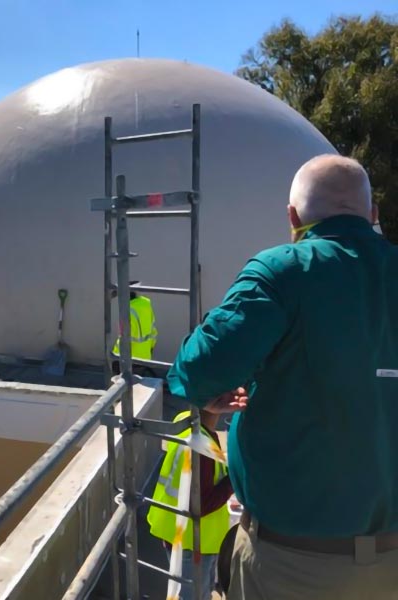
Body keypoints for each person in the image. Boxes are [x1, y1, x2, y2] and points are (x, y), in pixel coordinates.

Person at [167, 155, 398, 599]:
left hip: (295, 568)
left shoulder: (283, 272)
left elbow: (197, 373)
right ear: (373, 216)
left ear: (292, 218)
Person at [147, 409, 233, 600]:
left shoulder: (184, 420)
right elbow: (201, 504)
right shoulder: (200, 445)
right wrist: (235, 476)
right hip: (194, 542)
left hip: (176, 531)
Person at [112, 280, 158, 364]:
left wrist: (115, 355)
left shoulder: (127, 310)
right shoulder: (146, 304)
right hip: (146, 356)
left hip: (129, 359)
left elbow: (124, 337)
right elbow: (153, 330)